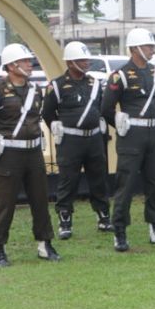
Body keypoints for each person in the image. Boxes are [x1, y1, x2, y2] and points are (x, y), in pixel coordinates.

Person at [0, 43, 58, 266]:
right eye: (24, 61)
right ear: (12, 66)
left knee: (40, 199)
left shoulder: (35, 90)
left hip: (33, 151)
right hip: (8, 154)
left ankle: (44, 244)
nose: (29, 64)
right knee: (4, 203)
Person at [102, 28, 155, 251]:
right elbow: (106, 108)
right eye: (148, 46)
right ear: (135, 49)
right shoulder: (120, 75)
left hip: (153, 134)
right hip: (131, 135)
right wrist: (120, 124)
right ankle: (120, 232)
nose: (152, 49)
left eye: (152, 46)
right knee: (126, 185)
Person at [43, 40, 110, 239]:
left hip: (94, 139)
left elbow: (99, 107)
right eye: (81, 60)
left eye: (87, 59)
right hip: (70, 140)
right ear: (70, 62)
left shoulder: (94, 83)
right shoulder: (57, 85)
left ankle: (103, 216)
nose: (86, 62)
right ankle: (65, 220)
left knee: (99, 179)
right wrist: (57, 129)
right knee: (68, 181)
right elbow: (48, 113)